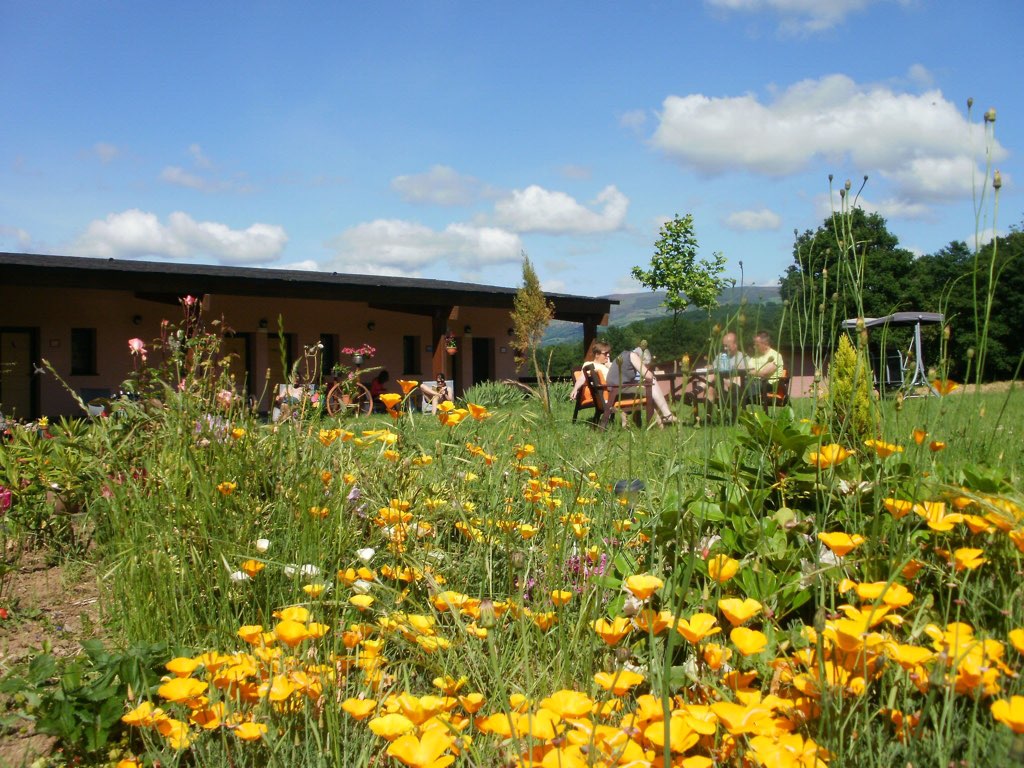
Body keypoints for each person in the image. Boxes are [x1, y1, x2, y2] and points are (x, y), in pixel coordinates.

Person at [600, 345, 677, 428]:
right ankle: (667, 415)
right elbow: (649, 376)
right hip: (619, 390)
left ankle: (662, 422)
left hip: (614, 390)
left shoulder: (623, 355)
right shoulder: (633, 356)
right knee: (652, 382)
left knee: (649, 388)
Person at [706, 332, 746, 420]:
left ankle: (697, 389)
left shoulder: (742, 357)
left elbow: (741, 375)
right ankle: (708, 418)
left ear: (735, 344)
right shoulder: (721, 356)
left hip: (735, 387)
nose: (725, 348)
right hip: (720, 385)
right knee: (710, 389)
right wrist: (710, 367)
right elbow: (713, 368)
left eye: (727, 346)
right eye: (724, 346)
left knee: (713, 377)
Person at [743, 331, 784, 404]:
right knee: (737, 384)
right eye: (754, 345)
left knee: (740, 387)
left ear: (765, 344)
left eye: (757, 345)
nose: (754, 347)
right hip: (754, 383)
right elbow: (747, 369)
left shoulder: (775, 356)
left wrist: (749, 371)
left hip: (768, 385)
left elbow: (764, 373)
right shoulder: (755, 356)